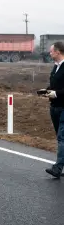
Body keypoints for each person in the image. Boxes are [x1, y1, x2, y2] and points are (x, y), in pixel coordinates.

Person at [43, 41, 64, 178]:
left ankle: (57, 168)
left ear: (58, 52)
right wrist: (47, 91)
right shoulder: (56, 67)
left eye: (51, 51)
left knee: (62, 138)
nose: (50, 53)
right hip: (55, 106)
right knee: (60, 137)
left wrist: (56, 93)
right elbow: (54, 84)